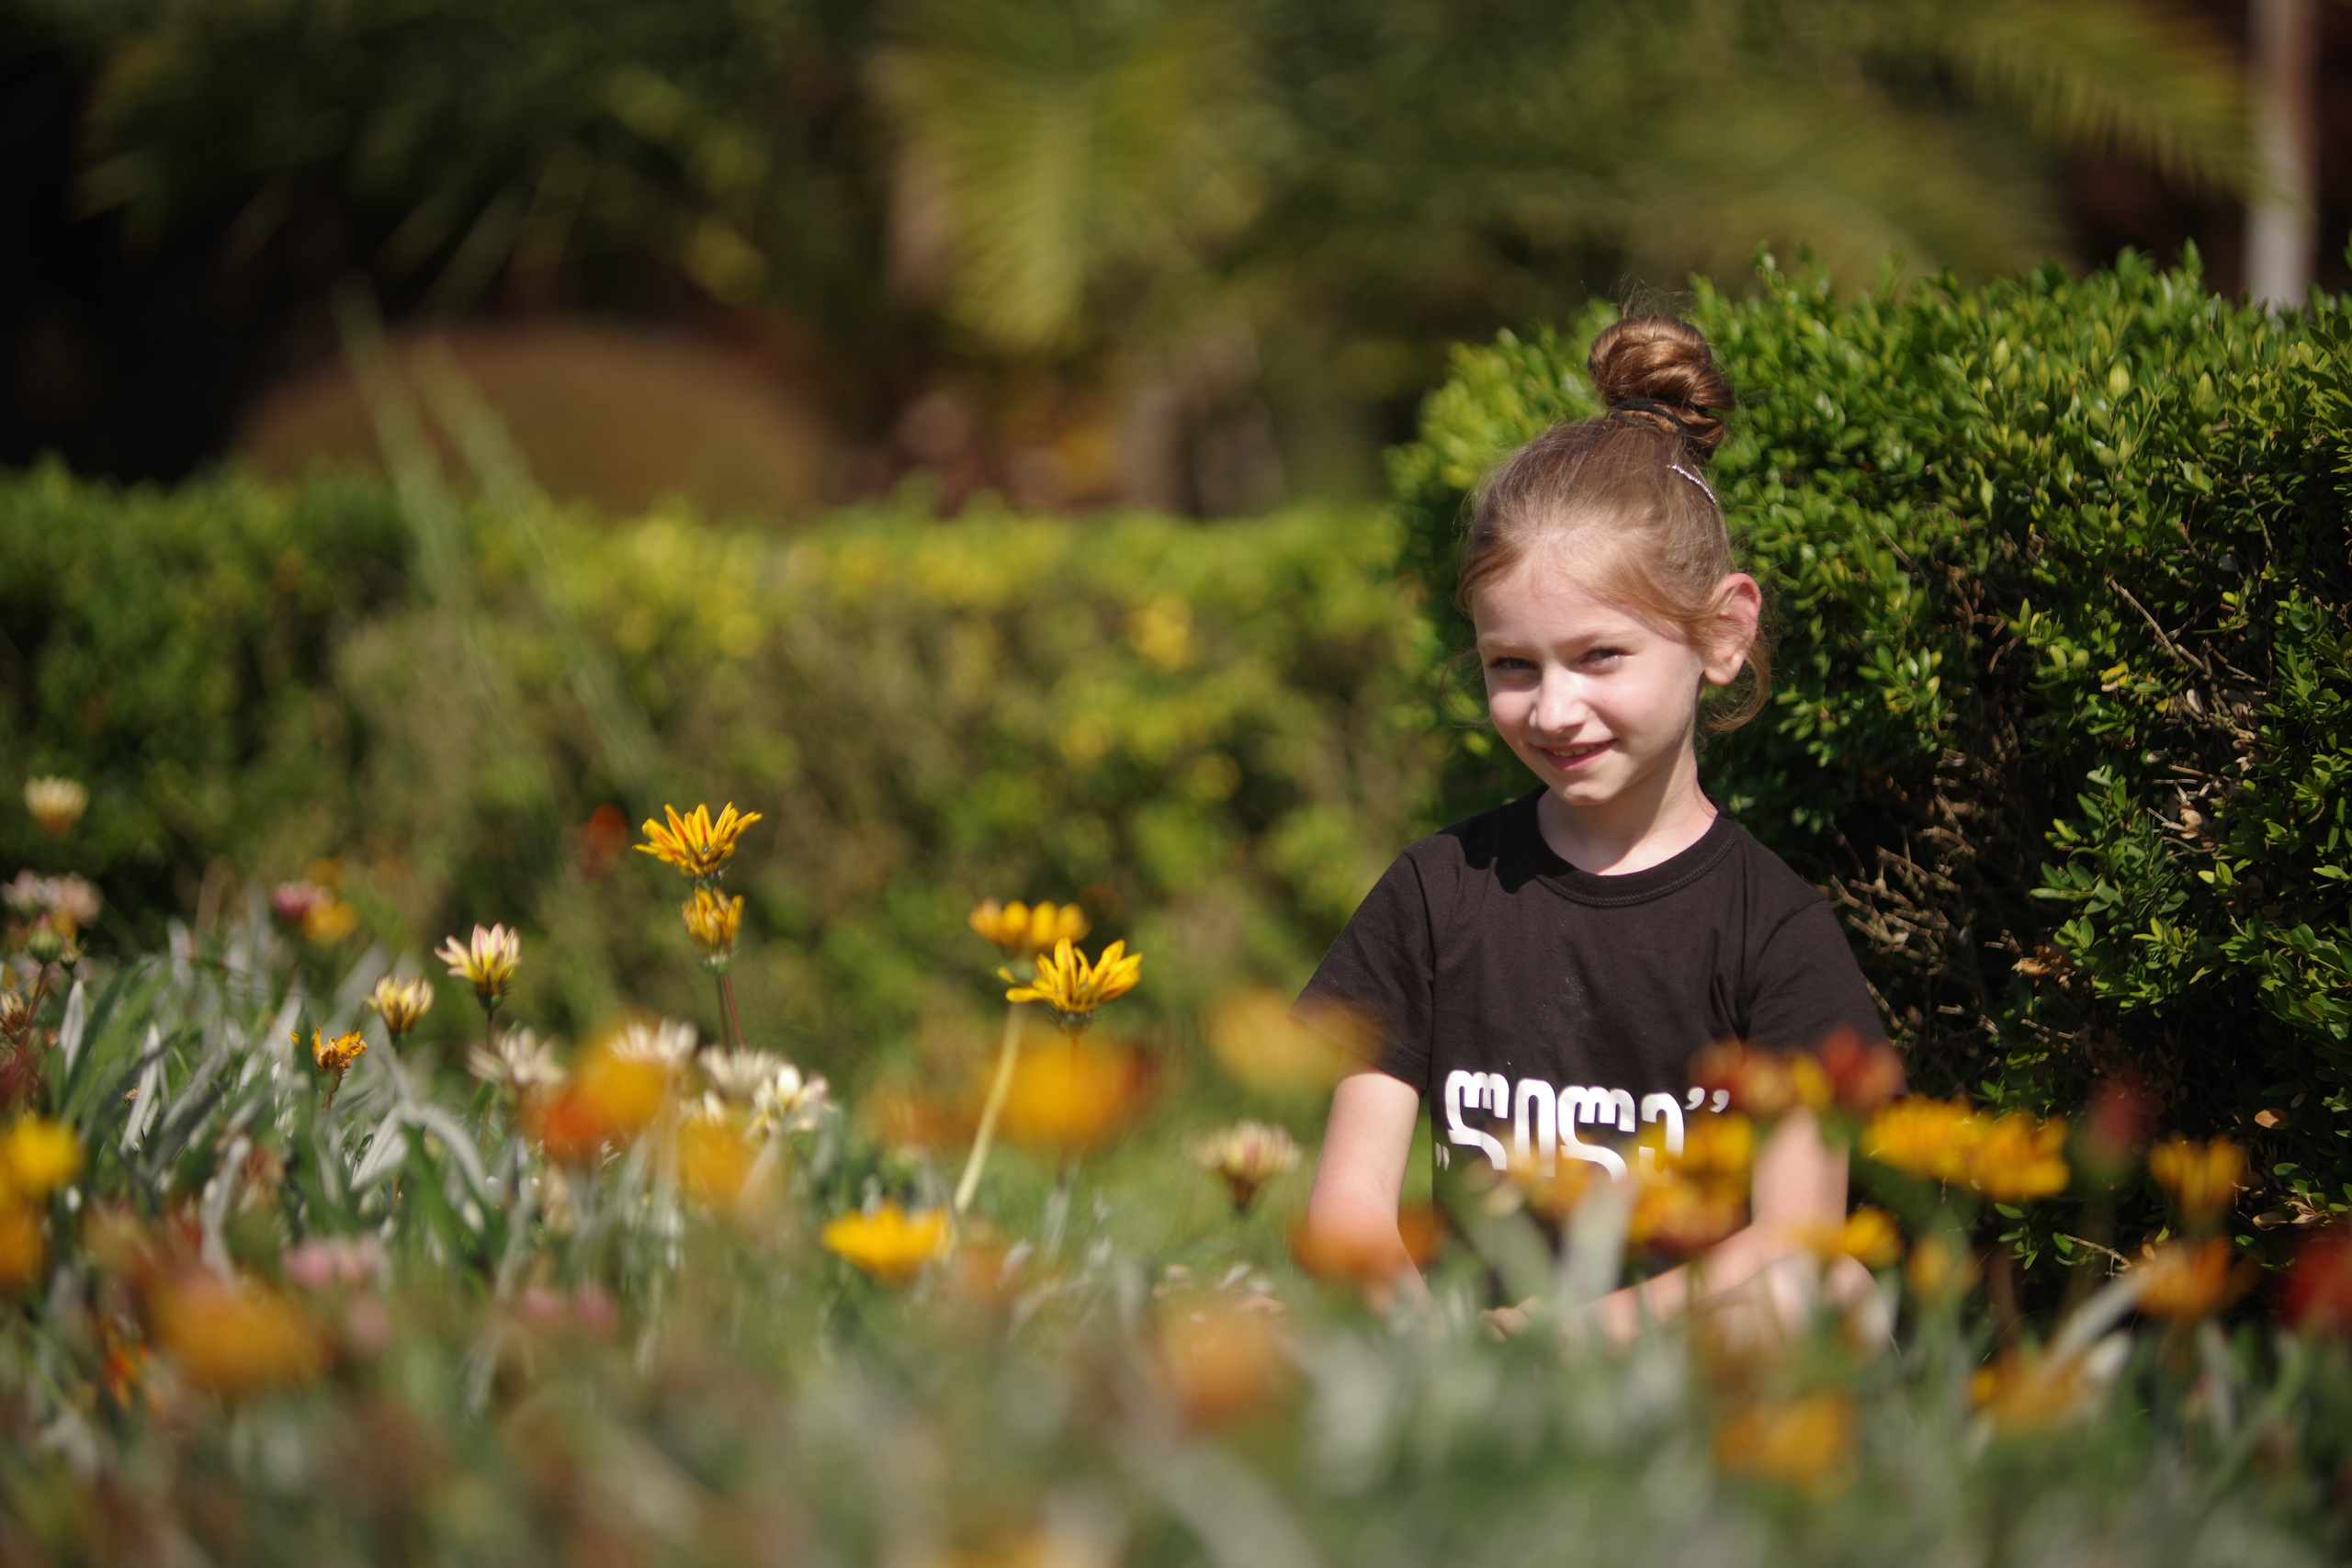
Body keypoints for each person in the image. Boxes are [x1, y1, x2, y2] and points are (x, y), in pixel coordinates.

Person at [1298, 314, 1888, 1339]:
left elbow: (1798, 1243)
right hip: (1465, 1376)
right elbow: (1349, 1209)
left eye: (1599, 656)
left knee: (1838, 1297)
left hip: (1683, 1369)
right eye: (1512, 667)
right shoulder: (1436, 895)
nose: (1553, 709)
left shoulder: (1773, 932)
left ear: (1722, 633)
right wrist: (1429, 1348)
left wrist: (1573, 1342)